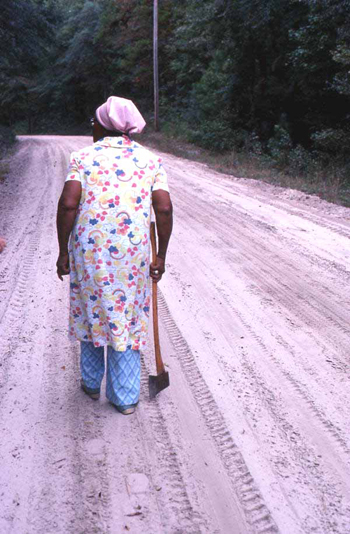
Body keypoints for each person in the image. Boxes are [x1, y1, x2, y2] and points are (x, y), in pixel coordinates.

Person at [56, 96, 173, 415]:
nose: (92, 127)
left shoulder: (82, 157)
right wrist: (160, 255)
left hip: (89, 253)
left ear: (103, 125)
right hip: (131, 256)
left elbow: (68, 204)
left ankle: (92, 384)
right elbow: (162, 207)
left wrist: (62, 251)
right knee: (125, 315)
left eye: (94, 122)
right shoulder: (150, 161)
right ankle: (124, 396)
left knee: (92, 309)